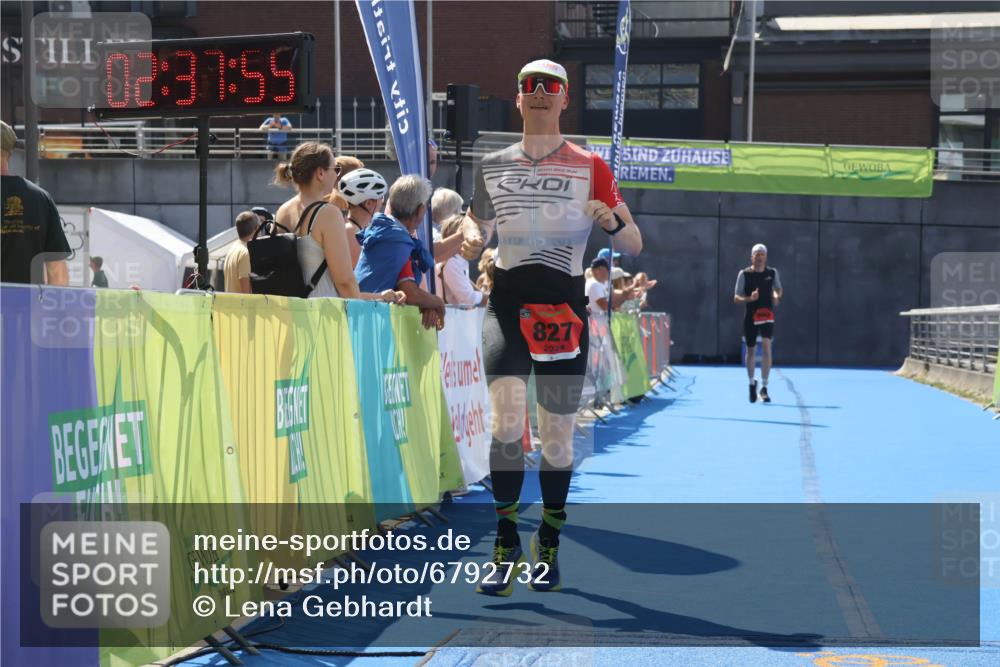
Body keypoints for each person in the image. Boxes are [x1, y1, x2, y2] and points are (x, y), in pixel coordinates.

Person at [459, 59, 642, 594]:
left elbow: (633, 243)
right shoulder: (491, 163)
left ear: (565, 99)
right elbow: (480, 220)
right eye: (529, 86)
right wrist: (472, 234)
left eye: (551, 86)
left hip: (562, 307)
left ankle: (550, 544)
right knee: (505, 422)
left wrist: (609, 220)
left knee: (557, 436)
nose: (539, 93)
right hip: (507, 303)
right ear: (518, 99)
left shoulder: (592, 165)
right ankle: (505, 541)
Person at [273, 142, 401, 304]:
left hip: (290, 311)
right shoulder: (328, 213)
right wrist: (370, 303)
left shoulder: (283, 211)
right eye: (335, 169)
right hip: (322, 315)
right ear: (320, 173)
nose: (337, 176)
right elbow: (345, 281)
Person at [355, 175, 446, 330]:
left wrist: (426, 305)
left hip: (363, 318)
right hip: (370, 324)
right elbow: (411, 294)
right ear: (420, 210)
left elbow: (405, 288)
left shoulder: (388, 233)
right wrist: (438, 303)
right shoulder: (397, 240)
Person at [1, 120, 70, 285]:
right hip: (26, 307)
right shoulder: (40, 198)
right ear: (9, 153)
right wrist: (56, 309)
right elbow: (56, 269)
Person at [734, 243, 783, 403]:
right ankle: (751, 383)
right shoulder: (744, 274)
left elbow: (778, 288)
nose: (759, 257)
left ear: (766, 256)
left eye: (762, 254)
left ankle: (764, 387)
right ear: (752, 257)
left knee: (767, 347)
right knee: (751, 351)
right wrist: (750, 298)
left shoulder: (772, 273)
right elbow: (736, 297)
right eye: (756, 254)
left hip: (767, 315)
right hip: (751, 316)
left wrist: (776, 295)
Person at [338, 167, 388, 267]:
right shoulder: (351, 231)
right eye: (381, 197)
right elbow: (360, 277)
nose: (382, 201)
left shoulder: (353, 227)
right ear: (368, 203)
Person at [435, 213, 485, 306]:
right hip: (451, 318)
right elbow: (469, 299)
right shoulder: (452, 263)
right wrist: (490, 300)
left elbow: (468, 287)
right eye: (470, 233)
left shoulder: (457, 261)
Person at [223, 210, 258, 294]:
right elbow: (246, 294)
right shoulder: (245, 253)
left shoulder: (232, 249)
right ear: (256, 229)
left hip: (230, 305)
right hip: (240, 306)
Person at [430, 187, 465, 264]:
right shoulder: (436, 236)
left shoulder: (428, 231)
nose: (461, 214)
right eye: (459, 209)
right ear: (452, 212)